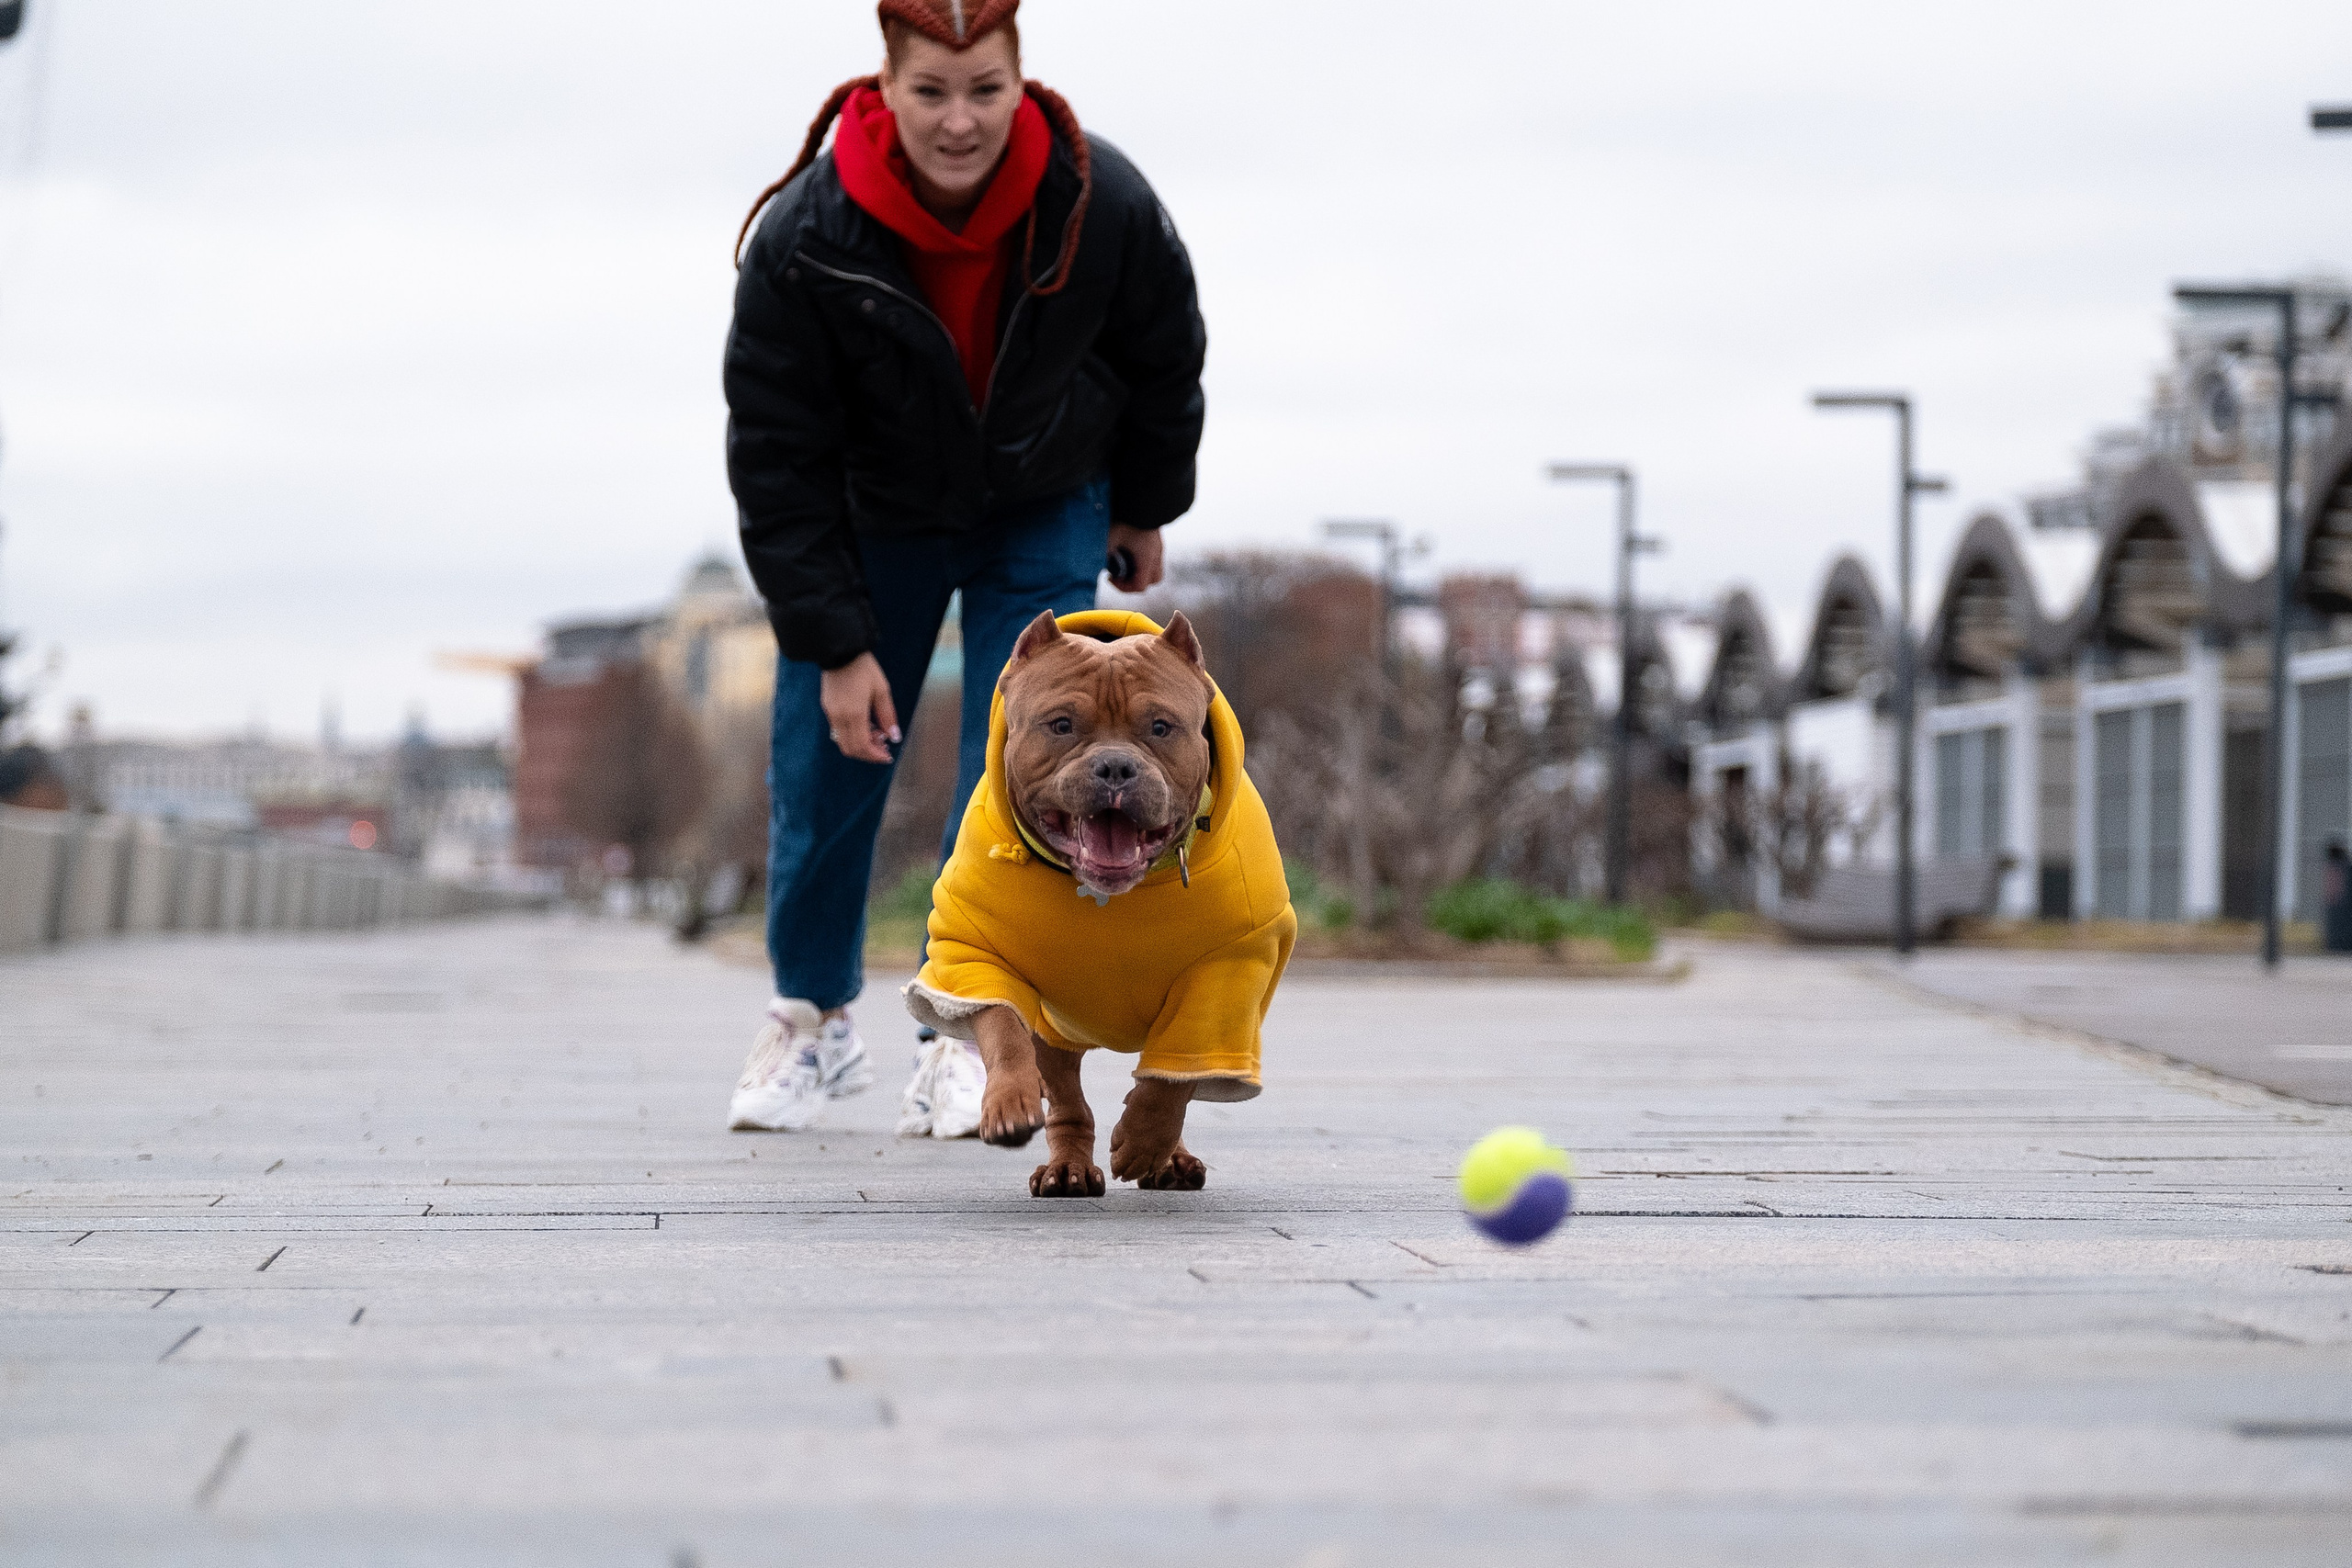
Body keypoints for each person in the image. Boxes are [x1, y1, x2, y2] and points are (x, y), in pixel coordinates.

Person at [720, 0, 1206, 1134]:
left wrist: (1142, 506)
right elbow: (773, 452)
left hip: (1040, 499)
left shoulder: (1102, 199)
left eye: (983, 90)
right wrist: (835, 644)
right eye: (931, 92)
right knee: (829, 758)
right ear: (882, 87)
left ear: (1020, 82)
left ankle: (975, 1020)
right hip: (872, 514)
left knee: (1033, 751)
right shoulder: (805, 235)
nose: (958, 121)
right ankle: (811, 1018)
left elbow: (1164, 355)